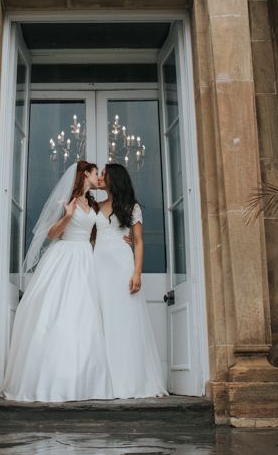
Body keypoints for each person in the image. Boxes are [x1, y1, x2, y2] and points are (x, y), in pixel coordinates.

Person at [2, 160, 113, 402]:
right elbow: (51, 234)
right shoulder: (66, 202)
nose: (98, 177)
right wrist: (68, 216)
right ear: (85, 174)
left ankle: (84, 381)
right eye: (96, 173)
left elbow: (101, 231)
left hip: (86, 258)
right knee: (59, 312)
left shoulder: (93, 203)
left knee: (84, 315)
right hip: (65, 256)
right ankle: (52, 381)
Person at [93, 163, 168, 398]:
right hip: (98, 266)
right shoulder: (96, 206)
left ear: (115, 178)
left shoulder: (131, 207)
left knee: (123, 321)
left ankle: (128, 380)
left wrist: (137, 273)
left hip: (121, 266)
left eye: (104, 174)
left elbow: (138, 241)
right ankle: (103, 382)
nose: (101, 177)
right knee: (101, 320)